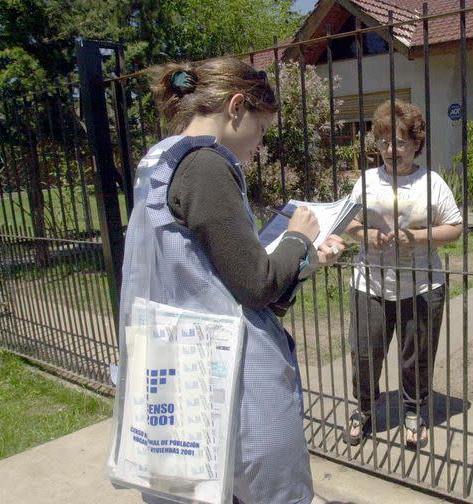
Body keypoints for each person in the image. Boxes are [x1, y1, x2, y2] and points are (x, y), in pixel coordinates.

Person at [119, 57, 344, 504]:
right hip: (223, 375)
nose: (259, 146)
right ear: (236, 107)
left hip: (178, 361)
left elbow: (205, 271)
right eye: (260, 130)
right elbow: (255, 284)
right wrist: (298, 238)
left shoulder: (159, 158)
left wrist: (302, 261)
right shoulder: (205, 164)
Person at [343, 99, 462, 447]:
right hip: (371, 281)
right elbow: (348, 220)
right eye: (382, 142)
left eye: (398, 142)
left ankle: (413, 411)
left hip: (422, 284)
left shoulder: (433, 182)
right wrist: (367, 235)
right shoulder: (366, 181)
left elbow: (454, 227)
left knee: (416, 357)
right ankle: (364, 408)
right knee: (365, 353)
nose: (390, 150)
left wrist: (418, 237)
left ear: (415, 143)